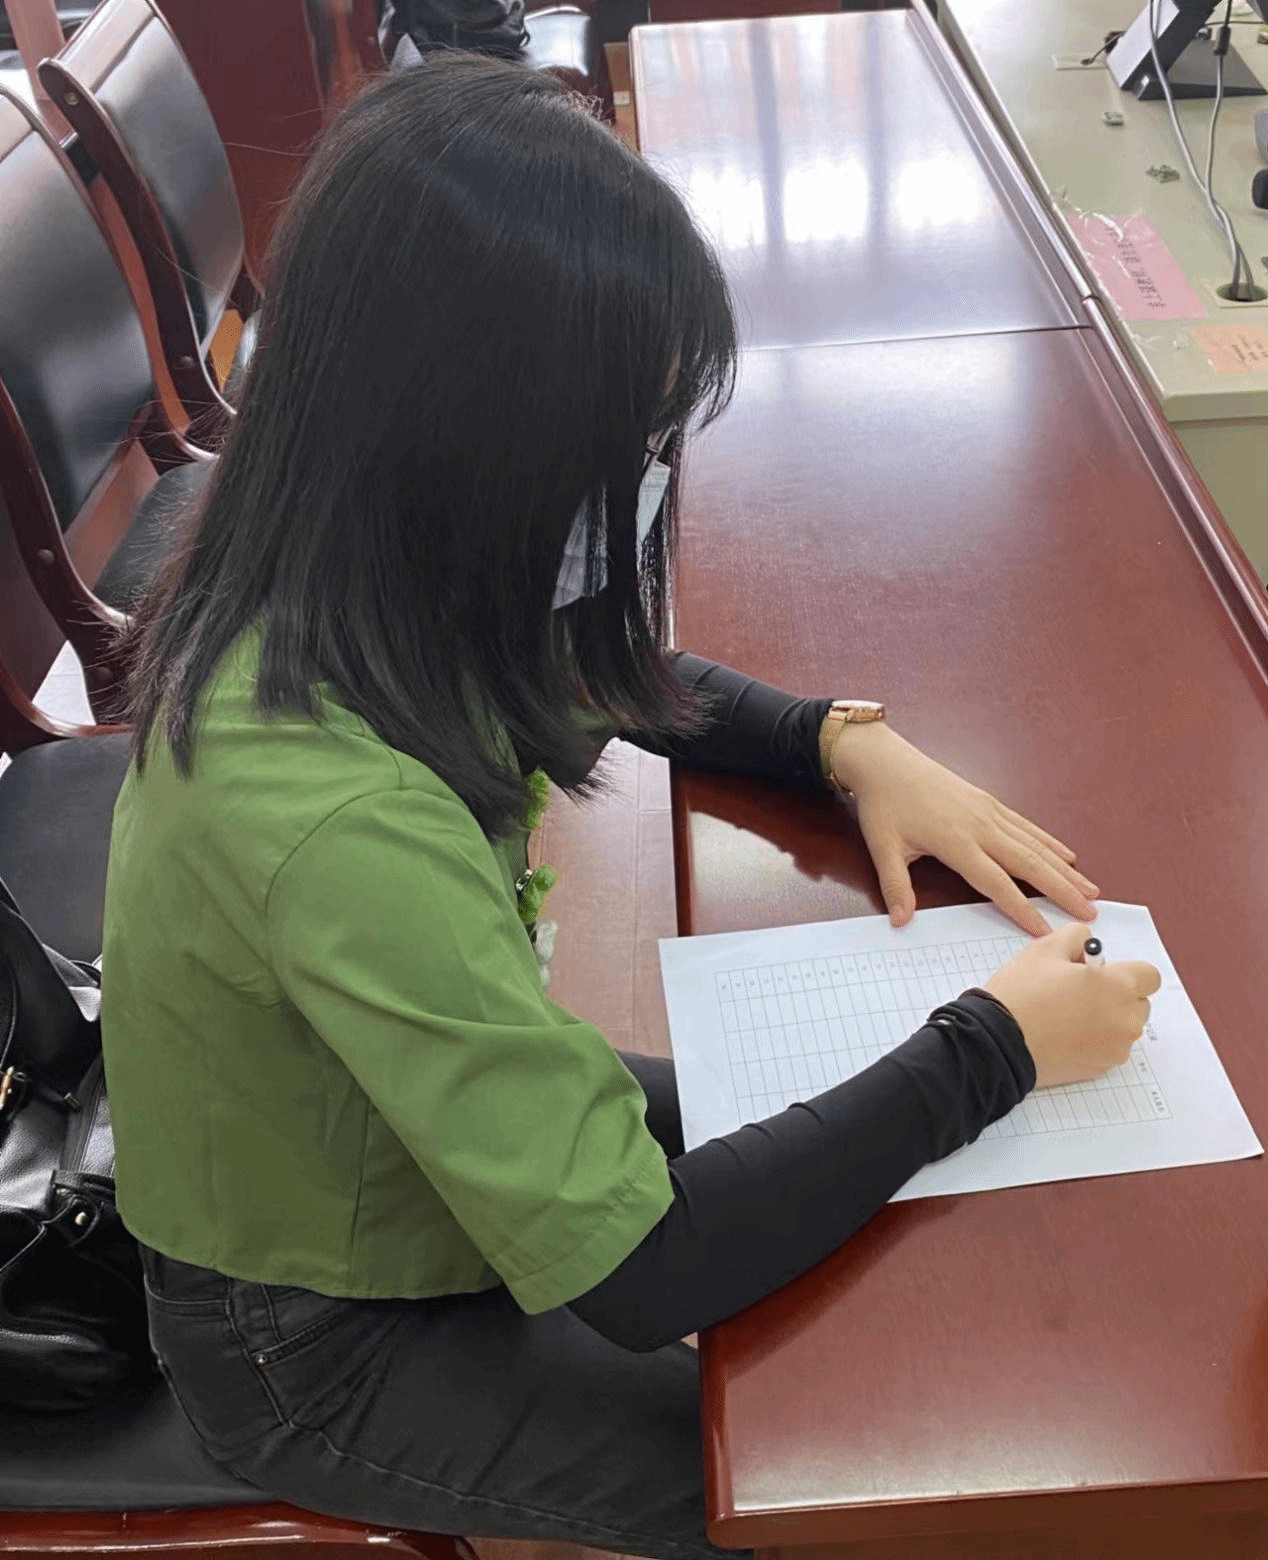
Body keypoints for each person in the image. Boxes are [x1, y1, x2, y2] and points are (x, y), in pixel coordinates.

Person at [100, 55, 1160, 1560]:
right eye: (629, 450)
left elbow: (591, 667)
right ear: (465, 452)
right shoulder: (330, 811)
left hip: (392, 1157)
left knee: (827, 1144)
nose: (651, 485)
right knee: (814, 1478)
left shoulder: (358, 568)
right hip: (311, 1340)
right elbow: (648, 1274)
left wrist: (838, 745)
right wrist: (994, 1046)